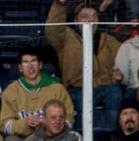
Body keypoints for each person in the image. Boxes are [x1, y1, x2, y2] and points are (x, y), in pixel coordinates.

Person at [46, 0, 122, 132]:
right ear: (76, 21)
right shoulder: (66, 38)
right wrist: (60, 5)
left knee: (115, 92)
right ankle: (82, 137)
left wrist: (120, 76)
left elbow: (124, 59)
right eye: (84, 17)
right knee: (82, 98)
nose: (90, 20)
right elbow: (52, 30)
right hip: (77, 89)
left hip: (103, 88)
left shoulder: (108, 40)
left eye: (94, 16)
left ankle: (110, 136)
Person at [0, 47, 75, 141]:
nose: (30, 66)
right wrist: (25, 123)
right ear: (20, 68)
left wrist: (51, 125)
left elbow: (69, 121)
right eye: (25, 62)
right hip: (23, 139)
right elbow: (5, 126)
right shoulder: (10, 91)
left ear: (40, 65)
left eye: (33, 61)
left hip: (52, 138)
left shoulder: (57, 88)